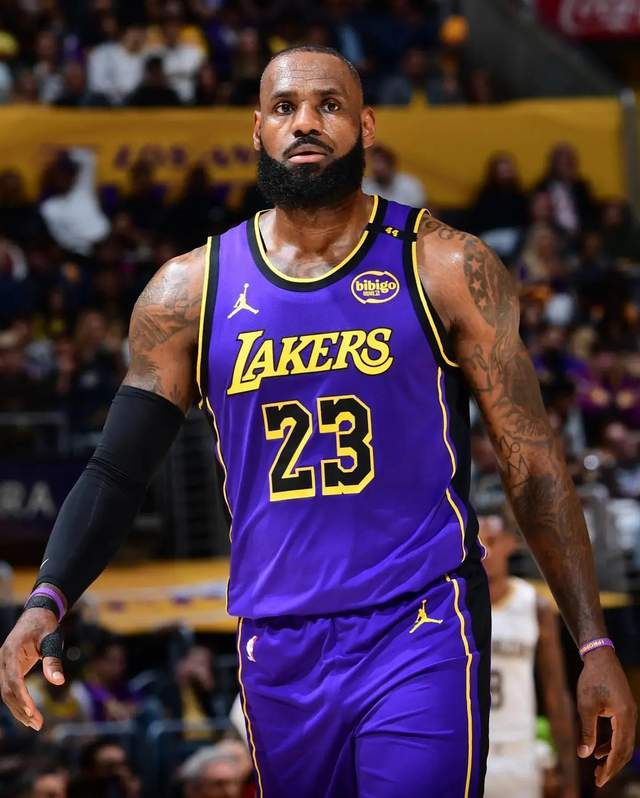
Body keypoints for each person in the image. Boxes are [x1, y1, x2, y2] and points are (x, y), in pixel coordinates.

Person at [0, 45, 636, 797]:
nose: (306, 122)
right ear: (258, 130)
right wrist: (47, 597)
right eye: (285, 107)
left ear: (365, 127)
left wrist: (593, 641)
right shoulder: (188, 291)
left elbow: (531, 464)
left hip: (420, 622)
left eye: (329, 105)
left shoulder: (444, 266)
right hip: (279, 642)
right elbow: (117, 469)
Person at [480, 512, 579, 798]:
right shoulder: (453, 604)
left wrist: (568, 773)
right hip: (467, 750)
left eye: (492, 541)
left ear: (510, 543)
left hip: (520, 753)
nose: (485, 552)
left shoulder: (534, 605)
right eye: (477, 542)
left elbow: (555, 692)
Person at [362, 143, 426, 208]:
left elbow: (419, 208)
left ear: (391, 164)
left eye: (382, 162)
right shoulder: (366, 188)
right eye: (375, 162)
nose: (378, 167)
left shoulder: (410, 184)